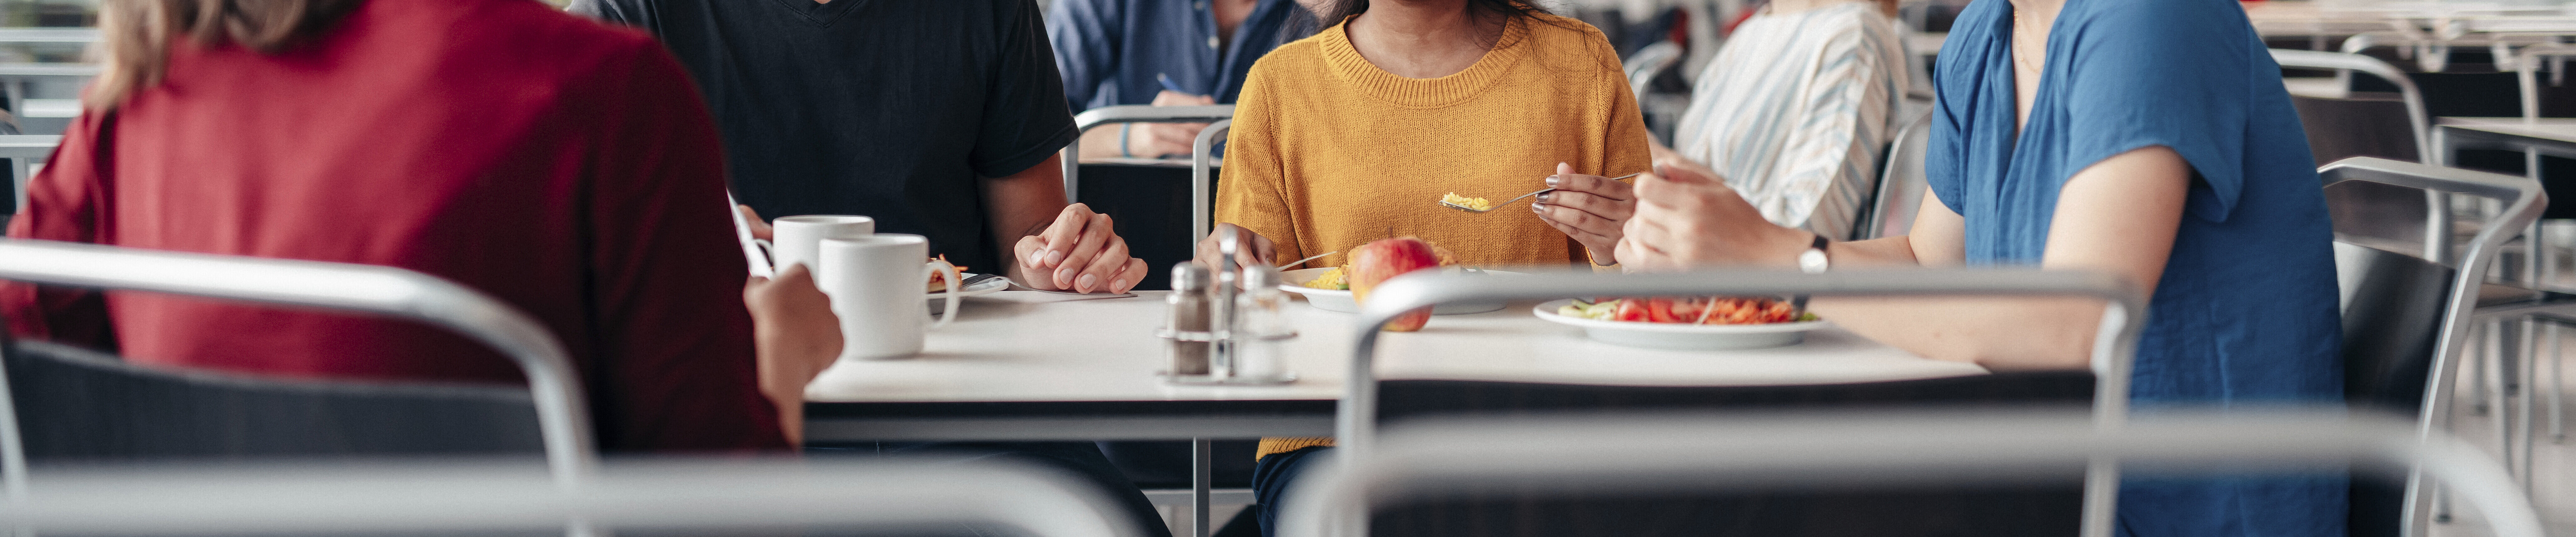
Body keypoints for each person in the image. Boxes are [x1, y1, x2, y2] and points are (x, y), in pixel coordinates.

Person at [1621, 0, 2346, 534]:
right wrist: (1741, 243)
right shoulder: (1985, 36)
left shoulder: (2148, 18)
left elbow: (2076, 324)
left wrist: (1779, 259)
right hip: (2054, 471)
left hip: (2178, 507)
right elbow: (1926, 258)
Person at [1, 0, 840, 451]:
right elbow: (720, 520)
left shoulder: (140, 101)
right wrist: (782, 350)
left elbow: (22, 368)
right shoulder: (612, 99)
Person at [1197, 0, 1654, 532]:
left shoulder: (1578, 60)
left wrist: (1618, 250)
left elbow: (1646, 303)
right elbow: (1255, 312)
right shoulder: (1280, 85)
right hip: (1334, 434)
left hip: (1539, 422)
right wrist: (1226, 271)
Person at [571, 0, 1147, 296]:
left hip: (958, 397)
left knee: (1113, 526)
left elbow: (1026, 247)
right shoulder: (630, 14)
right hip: (734, 399)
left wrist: (1061, 261)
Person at [1660, 0, 1910, 241]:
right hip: (1681, 263)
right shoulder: (1753, 29)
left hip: (1732, 278)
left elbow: (1806, 235)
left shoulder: (1852, 34)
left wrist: (1665, 163)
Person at [1050, 0, 1304, 160]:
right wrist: (1129, 137)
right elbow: (1036, 141)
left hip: (1263, 227)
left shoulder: (1321, 9)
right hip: (1123, 210)